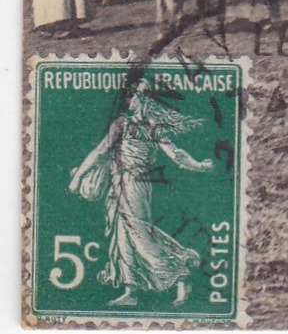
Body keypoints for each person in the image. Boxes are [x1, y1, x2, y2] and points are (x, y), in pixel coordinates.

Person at [68, 81, 213, 307]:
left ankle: (179, 274)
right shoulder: (121, 124)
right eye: (129, 95)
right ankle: (130, 290)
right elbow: (100, 151)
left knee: (138, 233)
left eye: (134, 95)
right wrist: (79, 177)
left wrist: (199, 166)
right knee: (123, 235)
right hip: (120, 182)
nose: (129, 99)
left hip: (136, 183)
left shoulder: (151, 127)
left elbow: (176, 154)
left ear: (144, 99)